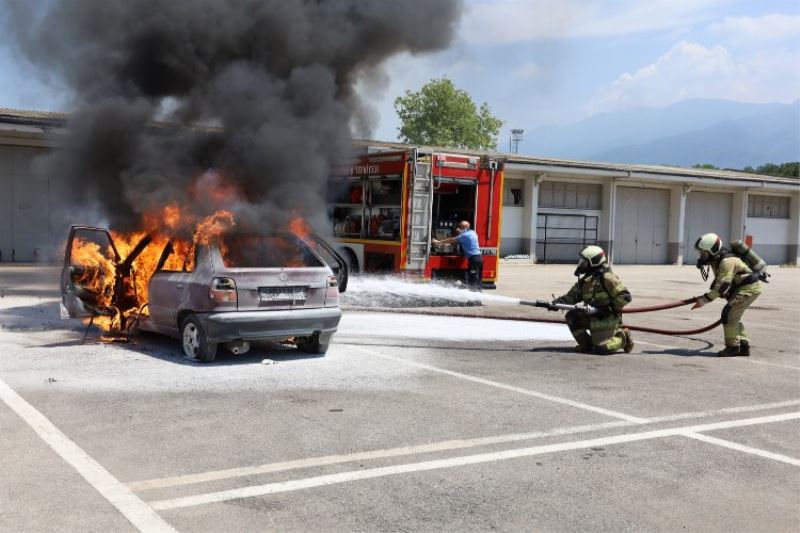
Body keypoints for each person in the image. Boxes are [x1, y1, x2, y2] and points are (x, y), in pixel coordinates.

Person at [551, 245, 634, 354]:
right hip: (592, 318)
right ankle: (586, 344)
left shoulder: (608, 278)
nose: (581, 264)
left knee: (602, 349)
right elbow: (571, 297)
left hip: (607, 320)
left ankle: (623, 338)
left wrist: (606, 308)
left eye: (584, 262)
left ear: (594, 262)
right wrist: (558, 303)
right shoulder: (584, 282)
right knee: (572, 316)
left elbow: (625, 297)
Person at [691, 233, 761, 356]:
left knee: (728, 315)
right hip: (741, 288)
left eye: (704, 253)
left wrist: (704, 300)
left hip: (748, 288)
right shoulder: (716, 259)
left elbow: (722, 287)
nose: (701, 256)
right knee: (734, 316)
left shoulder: (727, 261)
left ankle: (733, 347)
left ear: (713, 250)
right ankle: (743, 346)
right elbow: (719, 281)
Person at [432, 220, 483, 291]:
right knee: (478, 279)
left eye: (460, 227)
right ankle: (478, 296)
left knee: (472, 279)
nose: (458, 229)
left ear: (465, 228)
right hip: (479, 258)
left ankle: (473, 299)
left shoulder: (464, 235)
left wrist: (438, 242)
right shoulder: (473, 233)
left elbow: (451, 240)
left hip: (473, 260)